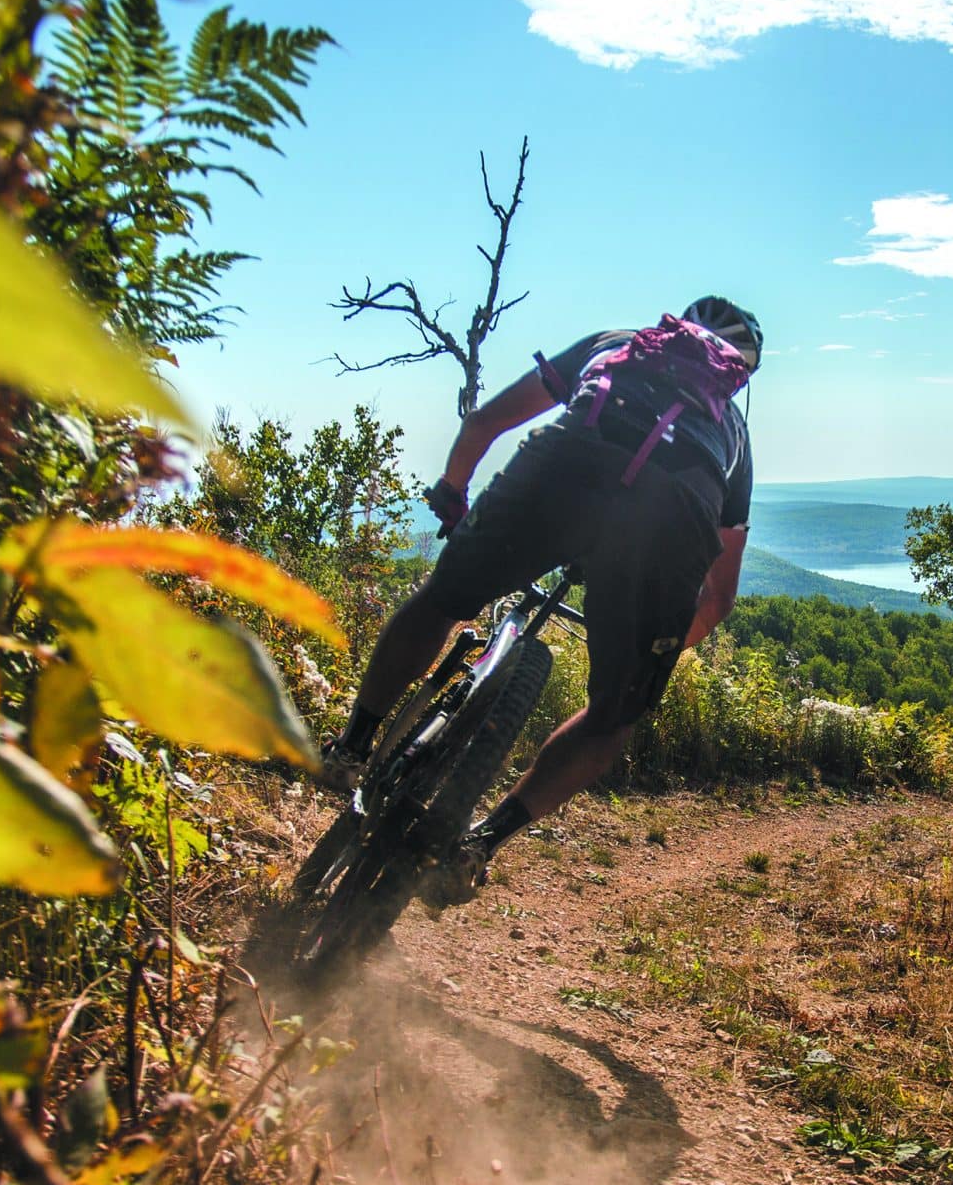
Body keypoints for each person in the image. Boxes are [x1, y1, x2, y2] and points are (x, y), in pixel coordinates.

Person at [319, 295, 762, 907]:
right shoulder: (732, 434)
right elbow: (718, 597)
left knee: (443, 599)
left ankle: (352, 748)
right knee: (611, 721)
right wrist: (648, 660)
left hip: (566, 468)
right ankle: (481, 844)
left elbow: (484, 424)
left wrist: (453, 493)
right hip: (669, 520)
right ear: (737, 373)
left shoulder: (616, 341)